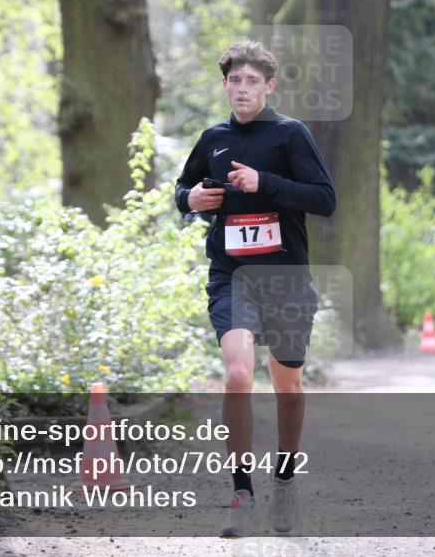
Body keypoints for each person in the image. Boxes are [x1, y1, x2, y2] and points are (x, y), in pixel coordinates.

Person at [174, 40, 336, 536]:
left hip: (285, 276)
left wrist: (263, 182)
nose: (242, 90)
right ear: (224, 85)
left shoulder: (290, 135)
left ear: (269, 86)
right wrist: (191, 199)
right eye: (234, 81)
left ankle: (285, 482)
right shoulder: (212, 138)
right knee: (239, 374)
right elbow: (182, 192)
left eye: (252, 82)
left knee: (287, 384)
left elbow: (324, 199)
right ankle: (241, 493)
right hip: (232, 275)